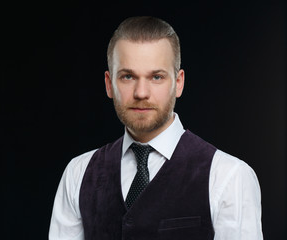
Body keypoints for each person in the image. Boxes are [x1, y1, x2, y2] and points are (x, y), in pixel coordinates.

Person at [48, 16, 263, 240]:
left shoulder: (228, 176)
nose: (141, 92)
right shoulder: (78, 174)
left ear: (178, 83)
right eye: (128, 76)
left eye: (157, 77)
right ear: (109, 84)